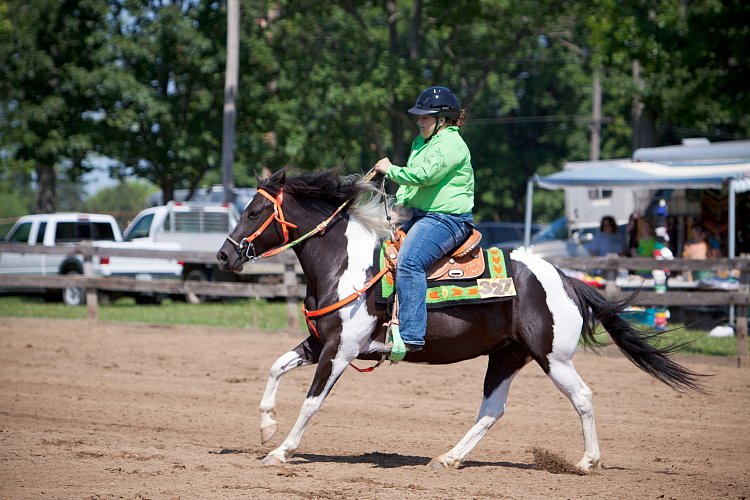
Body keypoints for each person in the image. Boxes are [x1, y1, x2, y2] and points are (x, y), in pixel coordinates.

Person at [373, 86, 474, 353]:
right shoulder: (422, 143)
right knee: (379, 251)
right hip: (420, 215)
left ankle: (411, 336)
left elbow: (424, 176)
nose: (419, 122)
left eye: (425, 117)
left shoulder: (452, 144)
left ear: (442, 120)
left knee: (409, 261)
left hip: (447, 220)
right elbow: (411, 181)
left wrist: (389, 169)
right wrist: (401, 206)